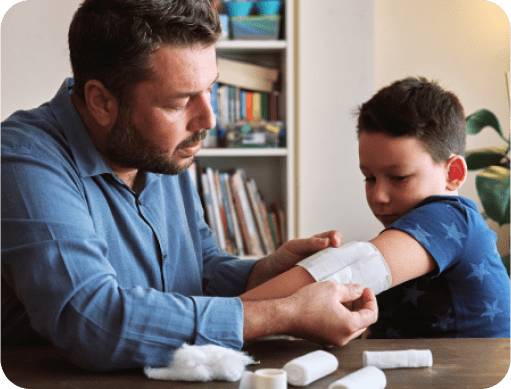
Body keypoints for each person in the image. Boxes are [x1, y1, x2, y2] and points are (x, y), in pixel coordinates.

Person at [1, 0, 378, 372]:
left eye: (210, 90)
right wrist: (285, 314)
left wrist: (263, 272)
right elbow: (91, 320)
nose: (209, 119)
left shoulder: (158, 149)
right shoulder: (22, 161)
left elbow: (198, 271)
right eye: (180, 102)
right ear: (101, 101)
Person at [242, 77, 510, 338]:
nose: (378, 196)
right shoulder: (407, 240)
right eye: (369, 178)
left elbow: (349, 268)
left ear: (454, 173)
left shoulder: (451, 217)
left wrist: (222, 317)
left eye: (399, 178)